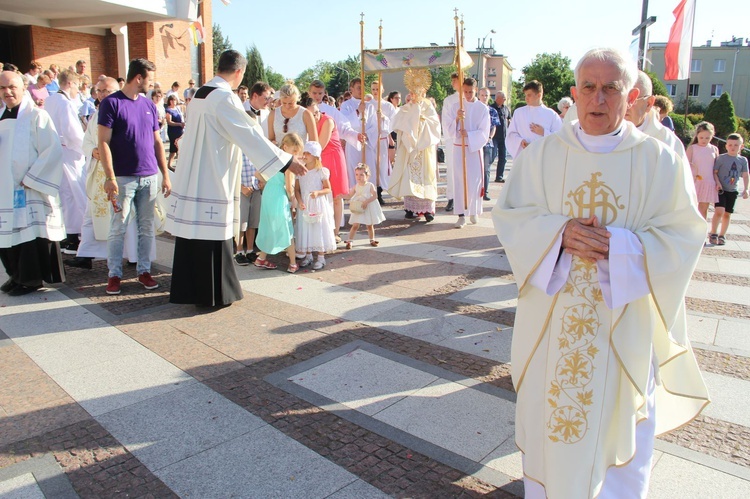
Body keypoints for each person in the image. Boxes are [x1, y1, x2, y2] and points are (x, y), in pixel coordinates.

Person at [493, 47, 709, 499]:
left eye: (611, 87)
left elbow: (685, 234)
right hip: (554, 324)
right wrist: (559, 234)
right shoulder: (541, 156)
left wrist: (623, 246)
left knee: (621, 431)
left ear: (630, 96)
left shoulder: (659, 159)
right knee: (554, 427)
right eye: (589, 87)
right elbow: (511, 216)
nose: (599, 98)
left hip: (625, 326)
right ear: (574, 93)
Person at [166, 50, 306, 307]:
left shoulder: (200, 93)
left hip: (195, 171)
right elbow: (247, 135)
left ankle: (190, 289)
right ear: (240, 72)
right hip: (212, 174)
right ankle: (214, 294)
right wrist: (286, 160)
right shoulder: (223, 98)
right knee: (211, 233)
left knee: (193, 235)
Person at [98, 58, 171, 295]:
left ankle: (144, 271)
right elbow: (103, 142)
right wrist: (109, 177)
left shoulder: (149, 106)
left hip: (149, 177)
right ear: (138, 78)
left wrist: (165, 175)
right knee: (118, 227)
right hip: (122, 178)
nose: (151, 84)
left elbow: (157, 141)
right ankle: (114, 275)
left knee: (146, 228)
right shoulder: (111, 103)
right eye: (149, 79)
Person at [67, 77, 150, 270]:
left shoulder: (124, 108)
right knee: (91, 215)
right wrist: (92, 151)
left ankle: (133, 255)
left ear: (118, 90)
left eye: (107, 90)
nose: (103, 94)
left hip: (118, 172)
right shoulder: (97, 114)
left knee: (124, 214)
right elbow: (86, 140)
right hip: (98, 173)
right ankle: (85, 254)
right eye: (100, 91)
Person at [0, 71, 65, 296]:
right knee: (7, 236)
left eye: (12, 87)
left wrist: (32, 178)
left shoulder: (37, 116)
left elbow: (52, 151)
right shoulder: (0, 116)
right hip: (4, 189)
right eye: (2, 88)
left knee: (28, 237)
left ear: (22, 88)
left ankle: (31, 279)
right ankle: (16, 276)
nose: (7, 92)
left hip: (28, 187)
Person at [388, 68, 441, 222]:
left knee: (426, 177)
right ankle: (410, 208)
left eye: (419, 90)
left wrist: (420, 120)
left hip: (424, 149)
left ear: (424, 91)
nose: (416, 93)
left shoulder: (428, 106)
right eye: (413, 90)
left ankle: (428, 210)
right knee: (409, 178)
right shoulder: (407, 107)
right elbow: (398, 124)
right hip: (409, 149)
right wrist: (410, 122)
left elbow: (435, 126)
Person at [45, 69, 86, 255]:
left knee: (63, 194)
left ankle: (65, 235)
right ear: (70, 83)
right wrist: (86, 147)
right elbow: (73, 133)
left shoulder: (50, 99)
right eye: (77, 85)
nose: (78, 89)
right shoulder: (64, 103)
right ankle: (74, 236)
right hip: (69, 151)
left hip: (55, 151)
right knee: (75, 192)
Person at [444, 77, 490, 229]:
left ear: (475, 90)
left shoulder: (482, 108)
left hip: (473, 149)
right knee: (459, 180)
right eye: (465, 92)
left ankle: (474, 211)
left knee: (473, 181)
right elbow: (448, 128)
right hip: (459, 147)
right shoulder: (456, 106)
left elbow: (484, 131)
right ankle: (461, 214)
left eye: (471, 92)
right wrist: (457, 118)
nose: (468, 95)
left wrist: (469, 134)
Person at [254, 133, 301, 273]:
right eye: (294, 151)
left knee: (269, 226)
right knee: (286, 229)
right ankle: (292, 263)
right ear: (286, 147)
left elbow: (258, 174)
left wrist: (270, 181)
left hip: (269, 193)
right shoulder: (287, 164)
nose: (295, 155)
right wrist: (293, 201)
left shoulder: (273, 159)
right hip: (279, 196)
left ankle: (261, 258)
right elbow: (288, 187)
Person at [303, 97, 348, 241]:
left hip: (332, 158)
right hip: (316, 160)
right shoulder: (307, 122)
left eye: (316, 113)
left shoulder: (327, 121)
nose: (315, 117)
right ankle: (323, 229)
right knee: (321, 196)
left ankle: (336, 231)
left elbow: (319, 146)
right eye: (311, 114)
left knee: (335, 196)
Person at [624, 71, 688, 165]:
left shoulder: (667, 142)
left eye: (632, 100)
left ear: (649, 103)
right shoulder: (599, 133)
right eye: (619, 98)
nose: (624, 105)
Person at [295, 140, 337, 270]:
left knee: (318, 229)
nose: (305, 155)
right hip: (305, 205)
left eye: (308, 153)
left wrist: (318, 192)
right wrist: (300, 201)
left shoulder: (321, 171)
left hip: (317, 204)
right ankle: (308, 255)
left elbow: (328, 189)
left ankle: (321, 257)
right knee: (306, 228)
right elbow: (297, 189)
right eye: (305, 153)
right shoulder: (300, 171)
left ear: (315, 156)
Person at [506, 80, 562, 158]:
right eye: (525, 95)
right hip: (523, 155)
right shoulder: (519, 113)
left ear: (539, 95)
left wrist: (544, 132)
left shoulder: (551, 115)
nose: (526, 98)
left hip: (543, 157)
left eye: (529, 95)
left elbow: (559, 138)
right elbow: (511, 134)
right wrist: (520, 141)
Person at [710, 133, 749, 245]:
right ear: (726, 146)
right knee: (719, 211)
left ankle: (722, 235)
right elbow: (715, 172)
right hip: (721, 189)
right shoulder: (721, 158)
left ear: (741, 147)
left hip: (733, 190)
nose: (733, 147)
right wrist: (717, 183)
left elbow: (746, 175)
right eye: (730, 145)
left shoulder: (743, 160)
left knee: (727, 214)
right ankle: (713, 232)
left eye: (736, 145)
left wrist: (746, 189)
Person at [340, 78, 377, 188]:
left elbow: (374, 125)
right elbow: (344, 123)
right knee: (354, 168)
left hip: (367, 143)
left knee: (368, 168)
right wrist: (357, 112)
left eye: (363, 88)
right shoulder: (346, 105)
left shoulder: (370, 106)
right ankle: (355, 194)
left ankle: (369, 193)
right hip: (353, 143)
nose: (361, 90)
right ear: (351, 89)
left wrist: (367, 134)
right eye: (358, 88)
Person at [345, 164, 385, 249]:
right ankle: (350, 240)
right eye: (356, 174)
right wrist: (342, 196)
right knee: (355, 225)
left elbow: (375, 196)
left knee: (369, 225)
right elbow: (349, 195)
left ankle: (372, 239)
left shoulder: (370, 185)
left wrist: (367, 201)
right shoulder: (356, 186)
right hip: (359, 207)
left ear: (367, 176)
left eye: (361, 175)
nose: (358, 177)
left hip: (367, 207)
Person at [370, 80, 397, 204]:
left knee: (381, 166)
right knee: (372, 165)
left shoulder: (388, 106)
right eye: (373, 89)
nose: (375, 92)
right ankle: (373, 190)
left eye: (377, 89)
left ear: (382, 90)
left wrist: (383, 118)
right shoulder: (368, 104)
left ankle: (380, 191)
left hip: (382, 139)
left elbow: (393, 123)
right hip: (371, 141)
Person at [687, 121, 720, 221]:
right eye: (701, 137)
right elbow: (686, 165)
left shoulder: (714, 149)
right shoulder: (692, 148)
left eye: (707, 138)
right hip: (695, 181)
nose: (704, 140)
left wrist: (717, 182)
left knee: (703, 209)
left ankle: (702, 231)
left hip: (708, 182)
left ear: (712, 136)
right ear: (697, 135)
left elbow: (716, 169)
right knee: (692, 207)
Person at [440, 73, 461, 211]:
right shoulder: (449, 100)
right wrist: (457, 121)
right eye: (452, 80)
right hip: (454, 139)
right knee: (453, 169)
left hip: (468, 139)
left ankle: (465, 197)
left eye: (455, 80)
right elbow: (446, 122)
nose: (453, 83)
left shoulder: (471, 99)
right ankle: (452, 197)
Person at [478, 87, 501, 200]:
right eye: (482, 95)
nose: (484, 97)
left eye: (486, 95)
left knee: (486, 168)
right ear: (479, 96)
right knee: (476, 168)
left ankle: (485, 192)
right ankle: (476, 191)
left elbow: (494, 126)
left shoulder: (492, 111)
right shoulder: (474, 109)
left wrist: (490, 137)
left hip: (488, 144)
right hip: (476, 144)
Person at [490, 91, 510, 182]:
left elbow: (509, 119)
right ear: (498, 98)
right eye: (504, 98)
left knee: (503, 158)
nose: (505, 100)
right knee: (492, 156)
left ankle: (499, 177)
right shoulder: (491, 108)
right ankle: (485, 174)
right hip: (494, 137)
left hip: (504, 137)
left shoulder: (505, 108)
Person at [165, 94, 185, 171]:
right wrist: (179, 124)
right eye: (172, 100)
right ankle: (169, 165)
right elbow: (169, 122)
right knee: (174, 148)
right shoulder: (168, 110)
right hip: (173, 130)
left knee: (179, 147)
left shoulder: (177, 109)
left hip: (180, 130)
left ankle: (179, 164)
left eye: (175, 100)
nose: (174, 102)